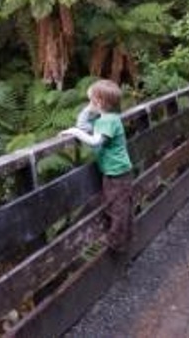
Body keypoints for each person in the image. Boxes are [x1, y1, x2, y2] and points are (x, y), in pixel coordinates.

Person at [61, 79, 133, 253]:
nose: (89, 104)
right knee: (116, 205)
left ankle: (116, 242)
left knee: (118, 208)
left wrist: (74, 132)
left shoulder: (108, 121)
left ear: (99, 102)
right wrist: (88, 109)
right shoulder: (105, 119)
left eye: (91, 100)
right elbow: (82, 125)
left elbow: (94, 142)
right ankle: (125, 236)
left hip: (118, 173)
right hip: (114, 171)